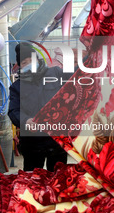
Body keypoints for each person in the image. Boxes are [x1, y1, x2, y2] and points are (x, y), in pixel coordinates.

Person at [8, 42, 74, 172]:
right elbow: (13, 111)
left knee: (58, 177)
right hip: (32, 141)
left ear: (37, 60)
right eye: (24, 63)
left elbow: (77, 79)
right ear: (19, 66)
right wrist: (26, 120)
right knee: (33, 180)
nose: (28, 64)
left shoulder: (56, 73)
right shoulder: (17, 87)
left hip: (57, 139)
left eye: (30, 60)